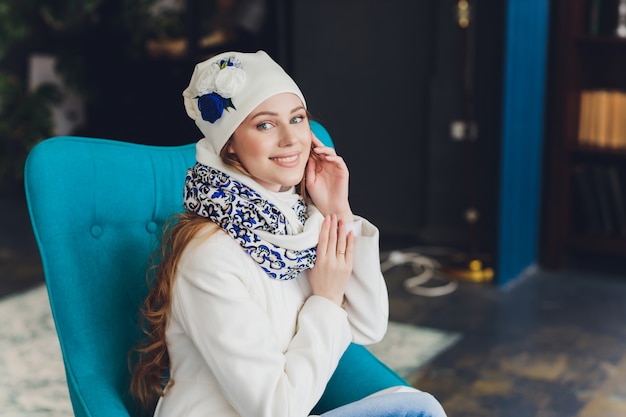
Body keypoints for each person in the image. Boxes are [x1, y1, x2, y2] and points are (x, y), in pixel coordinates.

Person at [129, 50, 447, 417]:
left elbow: (368, 323)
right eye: (265, 125)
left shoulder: (299, 222)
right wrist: (326, 299)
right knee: (417, 411)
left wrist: (337, 211)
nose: (290, 139)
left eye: (297, 119)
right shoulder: (211, 256)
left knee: (419, 408)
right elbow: (276, 409)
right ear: (229, 142)